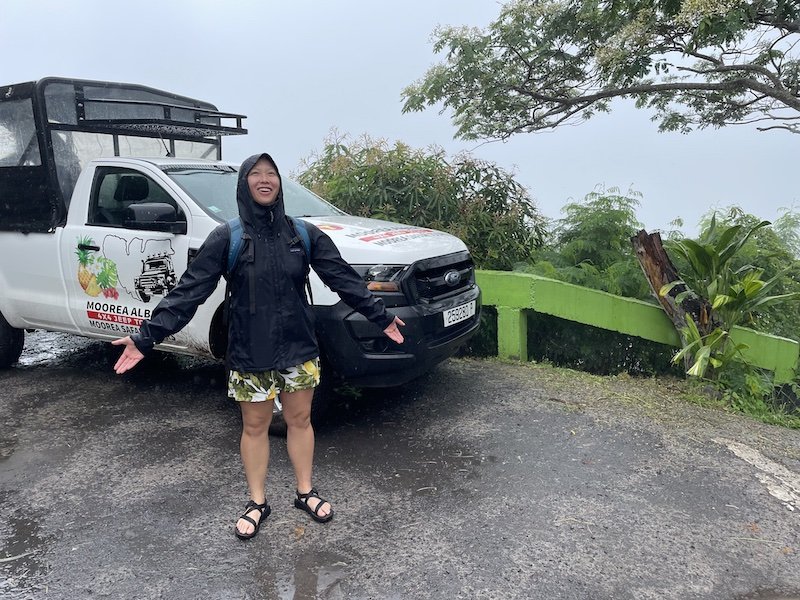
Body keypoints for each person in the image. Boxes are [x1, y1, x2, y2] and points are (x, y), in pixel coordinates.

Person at [112, 152, 405, 540]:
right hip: (249, 351)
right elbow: (189, 292)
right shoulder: (227, 238)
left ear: (280, 183)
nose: (265, 180)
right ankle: (257, 501)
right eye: (256, 174)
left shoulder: (303, 234)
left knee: (300, 420)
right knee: (255, 427)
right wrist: (146, 337)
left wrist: (380, 316)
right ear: (245, 184)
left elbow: (343, 279)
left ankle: (305, 492)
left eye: (272, 174)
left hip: (299, 346)